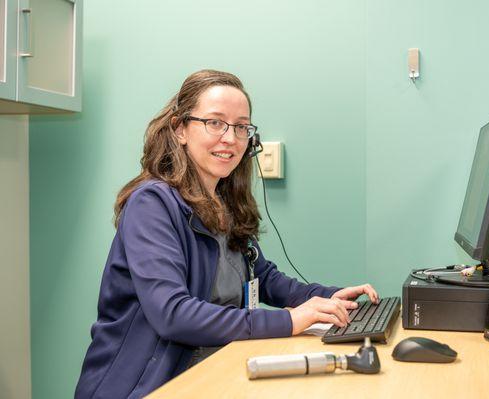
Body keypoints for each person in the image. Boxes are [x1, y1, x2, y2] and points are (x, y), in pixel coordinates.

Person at [75, 70, 379, 398]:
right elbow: (172, 314)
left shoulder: (224, 204)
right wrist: (290, 320)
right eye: (215, 122)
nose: (230, 138)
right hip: (147, 387)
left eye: (241, 127)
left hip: (217, 368)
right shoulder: (151, 205)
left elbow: (266, 280)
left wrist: (330, 299)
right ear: (180, 129)